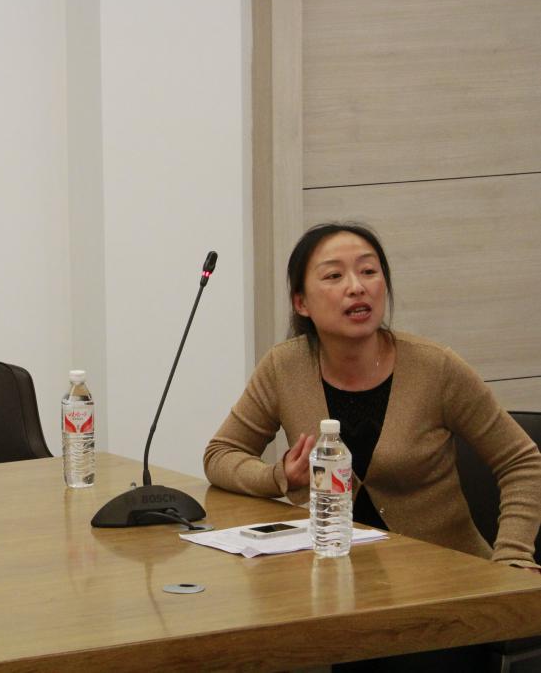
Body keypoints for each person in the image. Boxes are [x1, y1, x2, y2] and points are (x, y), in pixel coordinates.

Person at [204, 222, 541, 571]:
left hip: (448, 578)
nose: (357, 287)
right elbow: (220, 454)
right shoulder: (284, 367)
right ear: (301, 303)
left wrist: (513, 555)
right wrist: (280, 477)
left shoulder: (435, 368)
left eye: (368, 271)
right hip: (333, 575)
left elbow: (521, 461)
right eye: (334, 276)